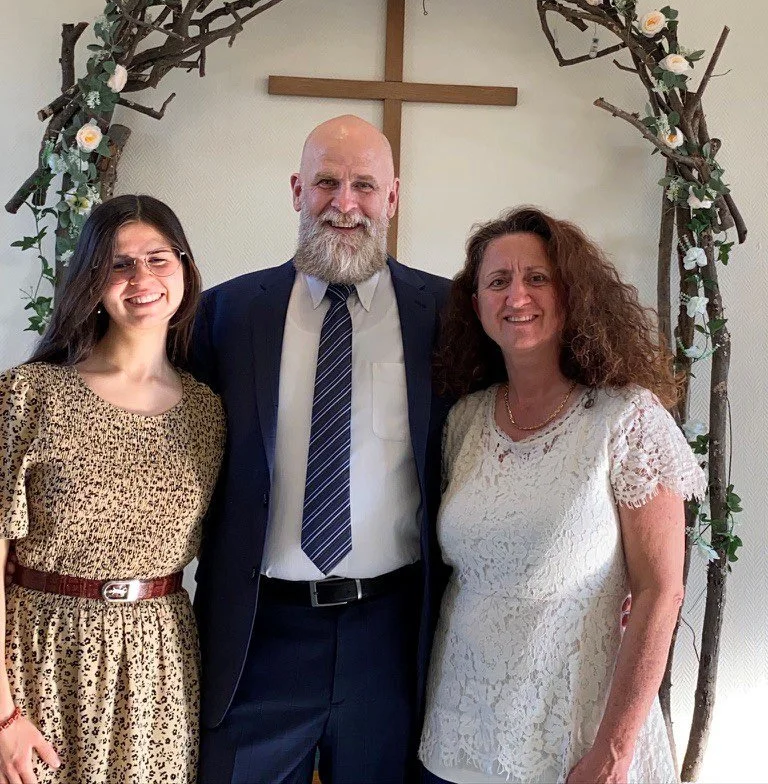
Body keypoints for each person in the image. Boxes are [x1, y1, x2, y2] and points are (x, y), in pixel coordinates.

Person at [191, 115, 453, 784]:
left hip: (390, 637)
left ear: (393, 197)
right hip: (257, 636)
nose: (344, 203)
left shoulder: (447, 315)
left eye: (364, 185)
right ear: (296, 190)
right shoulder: (224, 315)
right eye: (326, 182)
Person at [418, 207, 707, 784]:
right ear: (476, 305)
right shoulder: (465, 421)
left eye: (538, 278)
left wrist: (614, 752)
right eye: (498, 281)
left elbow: (660, 592)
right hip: (458, 733)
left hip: (576, 742)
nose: (516, 295)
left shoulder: (627, 419)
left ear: (571, 292)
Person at [0, 195, 224, 784]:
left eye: (158, 259)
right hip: (39, 658)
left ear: (185, 268)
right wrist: (4, 717)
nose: (141, 279)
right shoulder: (29, 395)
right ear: (91, 281)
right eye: (119, 264)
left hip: (159, 671)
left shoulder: (207, 412)